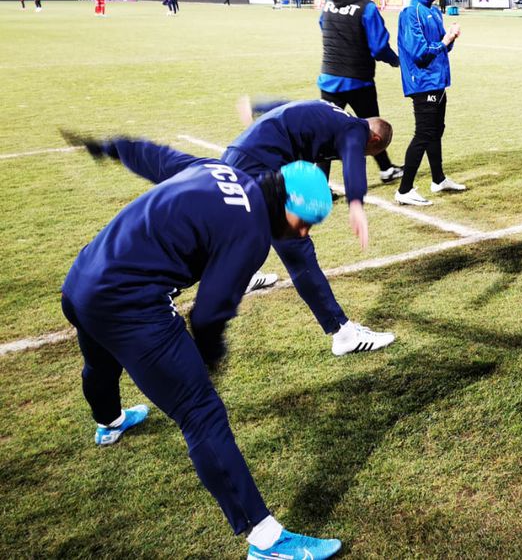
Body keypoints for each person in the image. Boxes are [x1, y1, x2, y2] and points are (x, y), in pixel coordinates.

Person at [60, 133, 343, 558]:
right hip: (128, 303)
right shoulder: (252, 233)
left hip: (82, 279)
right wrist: (208, 358)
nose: (302, 232)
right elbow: (209, 313)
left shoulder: (218, 169)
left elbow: (156, 157)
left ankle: (110, 422)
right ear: (286, 207)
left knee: (100, 361)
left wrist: (113, 146)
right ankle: (266, 542)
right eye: (304, 222)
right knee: (201, 412)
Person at [225, 98, 397, 355]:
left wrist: (256, 104)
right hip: (257, 165)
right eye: (369, 153)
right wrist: (356, 204)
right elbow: (351, 155)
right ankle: (343, 334)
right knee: (295, 245)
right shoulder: (355, 131)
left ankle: (241, 275)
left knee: (250, 222)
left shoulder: (333, 114)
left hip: (236, 156)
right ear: (373, 141)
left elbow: (288, 107)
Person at [317, 0, 404, 185]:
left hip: (329, 77)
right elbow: (378, 47)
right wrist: (396, 61)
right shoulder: (367, 7)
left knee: (325, 131)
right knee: (371, 127)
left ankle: (320, 185)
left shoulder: (329, 2)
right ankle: (386, 170)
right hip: (357, 79)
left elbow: (323, 26)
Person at [395, 0, 464, 206]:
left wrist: (450, 39)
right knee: (424, 133)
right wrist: (445, 40)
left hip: (438, 81)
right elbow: (419, 53)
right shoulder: (410, 12)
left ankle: (438, 179)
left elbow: (441, 47)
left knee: (436, 130)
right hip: (423, 82)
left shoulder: (433, 12)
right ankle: (404, 190)